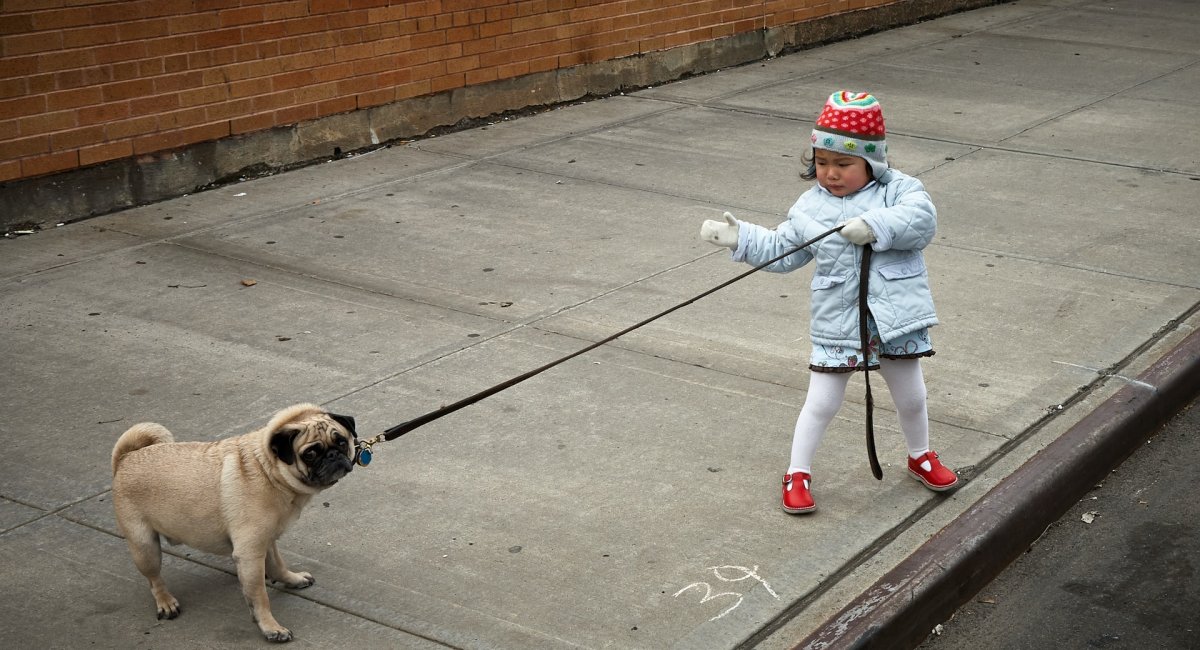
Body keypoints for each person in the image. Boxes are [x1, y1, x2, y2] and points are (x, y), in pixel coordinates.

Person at [699, 91, 958, 514]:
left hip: (895, 318)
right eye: (822, 163)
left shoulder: (899, 190)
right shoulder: (810, 206)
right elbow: (786, 249)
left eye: (843, 164)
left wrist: (874, 224)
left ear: (871, 163)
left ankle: (920, 455)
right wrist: (742, 239)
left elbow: (922, 221)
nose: (831, 174)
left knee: (911, 396)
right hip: (839, 320)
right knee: (822, 401)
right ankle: (797, 472)